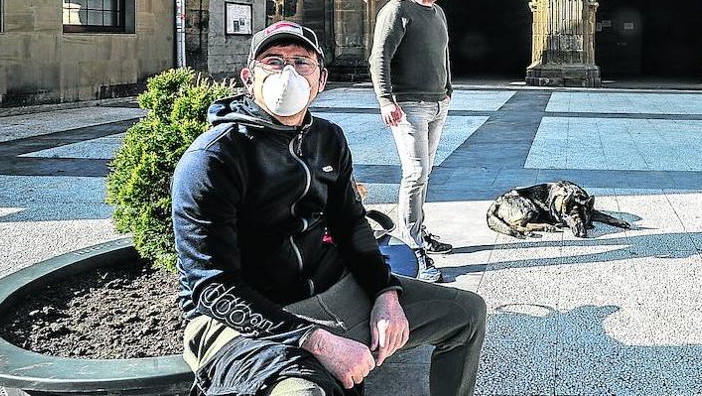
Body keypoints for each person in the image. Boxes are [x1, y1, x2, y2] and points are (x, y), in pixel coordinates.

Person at [173, 21, 486, 396]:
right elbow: (213, 287)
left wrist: (386, 294)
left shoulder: (326, 138)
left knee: (466, 314)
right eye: (273, 61)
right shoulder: (213, 158)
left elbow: (352, 227)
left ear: (320, 80)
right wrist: (318, 341)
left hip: (334, 289)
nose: (288, 72)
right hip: (254, 319)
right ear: (248, 78)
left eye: (301, 62)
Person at [369, 0, 454, 283]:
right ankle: (412, 243)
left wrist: (448, 89)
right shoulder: (397, 11)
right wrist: (386, 100)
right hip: (408, 105)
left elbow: (443, 53)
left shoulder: (438, 13)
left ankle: (419, 228)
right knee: (416, 171)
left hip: (436, 104)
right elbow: (379, 58)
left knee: (425, 171)